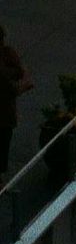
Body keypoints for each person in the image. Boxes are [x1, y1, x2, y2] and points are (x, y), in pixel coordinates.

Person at [0, 24, 30, 178]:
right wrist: (24, 86)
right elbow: (11, 85)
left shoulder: (8, 54)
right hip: (4, 115)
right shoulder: (7, 55)